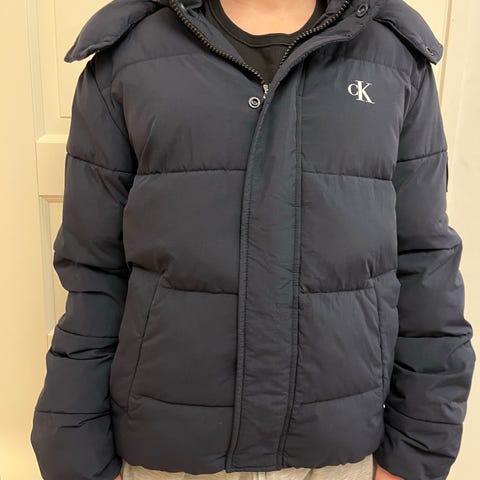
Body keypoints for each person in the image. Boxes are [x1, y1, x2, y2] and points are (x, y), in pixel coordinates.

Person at [30, 0, 476, 480]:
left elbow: (425, 263)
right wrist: (77, 451)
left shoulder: (393, 56)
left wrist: (418, 450)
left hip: (339, 454)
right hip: (167, 453)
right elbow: (92, 271)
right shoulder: (130, 54)